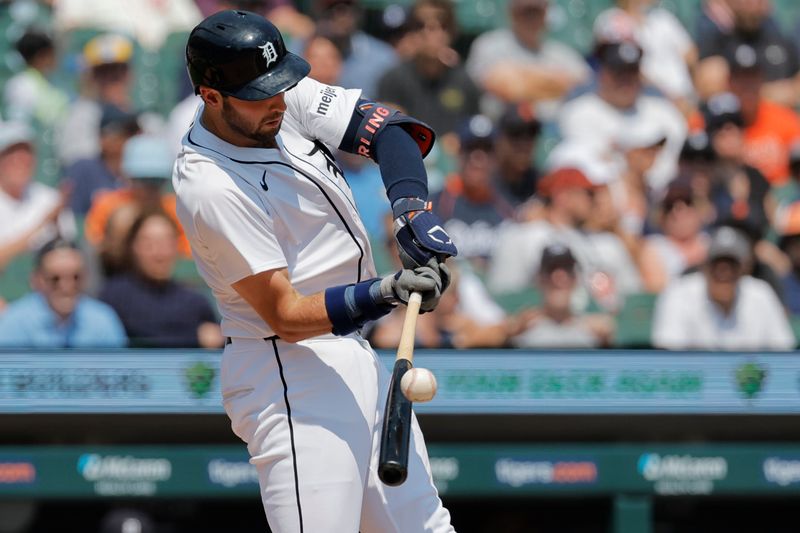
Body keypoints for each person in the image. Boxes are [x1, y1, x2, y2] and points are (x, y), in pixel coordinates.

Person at [174, 10, 456, 533]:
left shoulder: (278, 99)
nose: (278, 100)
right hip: (286, 371)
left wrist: (412, 211)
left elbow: (392, 130)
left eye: (279, 84)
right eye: (261, 93)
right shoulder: (209, 184)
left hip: (351, 352)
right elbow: (284, 313)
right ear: (211, 96)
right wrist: (386, 291)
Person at [558, 38, 687, 193]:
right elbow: (593, 168)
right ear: (603, 74)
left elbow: (675, 164)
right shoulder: (578, 113)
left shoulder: (665, 112)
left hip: (665, 197)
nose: (626, 81)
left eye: (631, 73)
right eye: (619, 73)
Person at [652, 225, 794, 351]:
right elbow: (669, 361)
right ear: (704, 267)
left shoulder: (760, 294)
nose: (724, 272)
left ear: (744, 269)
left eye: (731, 264)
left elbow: (783, 353)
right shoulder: (679, 294)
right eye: (717, 263)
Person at [100, 211, 222, 348]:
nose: (158, 253)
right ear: (133, 247)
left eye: (166, 243)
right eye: (148, 244)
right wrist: (194, 336)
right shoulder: (114, 296)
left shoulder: (195, 303)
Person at [84, 133, 192, 276]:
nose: (149, 189)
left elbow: (187, 257)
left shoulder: (176, 208)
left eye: (156, 182)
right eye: (143, 181)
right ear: (129, 178)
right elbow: (94, 250)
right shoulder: (108, 205)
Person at [465, 0, 589, 121]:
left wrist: (520, 77)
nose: (531, 18)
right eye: (526, 12)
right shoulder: (488, 45)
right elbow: (502, 86)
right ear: (512, 13)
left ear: (546, 14)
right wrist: (554, 81)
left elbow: (583, 82)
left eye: (536, 12)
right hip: (503, 129)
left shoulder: (562, 53)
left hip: (549, 128)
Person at [377, 0, 481, 139]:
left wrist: (460, 139)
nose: (431, 32)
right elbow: (389, 133)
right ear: (411, 32)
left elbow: (475, 130)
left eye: (442, 25)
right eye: (421, 25)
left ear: (452, 32)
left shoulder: (464, 81)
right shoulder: (393, 79)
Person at [0, 239, 127, 348]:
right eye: (55, 279)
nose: (67, 286)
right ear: (37, 281)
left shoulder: (103, 319)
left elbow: (118, 373)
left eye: (76, 277)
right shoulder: (15, 322)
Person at [432, 115, 516, 273]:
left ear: (497, 157)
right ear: (459, 153)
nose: (478, 157)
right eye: (470, 148)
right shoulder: (437, 204)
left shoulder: (509, 208)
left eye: (486, 149)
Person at [593, 0, 697, 111]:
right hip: (647, 99)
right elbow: (625, 67)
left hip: (685, 97)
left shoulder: (662, 17)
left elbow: (690, 55)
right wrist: (667, 96)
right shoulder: (611, 20)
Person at [0, 122, 75, 272]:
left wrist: (56, 226)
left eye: (26, 152)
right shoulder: (51, 208)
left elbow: (68, 255)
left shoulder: (50, 198)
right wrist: (44, 222)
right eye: (12, 153)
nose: (21, 160)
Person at [694, 0, 799, 106]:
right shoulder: (718, 41)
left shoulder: (780, 41)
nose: (752, 3)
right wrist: (772, 94)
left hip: (784, 120)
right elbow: (710, 88)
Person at [725, 43, 800, 186]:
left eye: (752, 77)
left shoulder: (786, 120)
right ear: (729, 81)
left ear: (762, 79)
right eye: (740, 78)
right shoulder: (719, 124)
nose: (747, 85)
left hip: (781, 200)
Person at [56, 33, 137, 167]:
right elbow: (79, 167)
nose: (112, 77)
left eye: (119, 70)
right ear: (92, 77)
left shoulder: (145, 117)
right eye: (103, 72)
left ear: (129, 74)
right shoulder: (79, 115)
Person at [512, 244, 614, 348]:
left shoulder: (595, 334)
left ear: (575, 279)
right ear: (539, 280)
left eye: (567, 269)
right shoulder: (521, 333)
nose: (558, 277)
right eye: (550, 270)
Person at [62, 104, 141, 216]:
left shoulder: (141, 173)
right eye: (124, 133)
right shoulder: (84, 169)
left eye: (133, 133)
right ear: (103, 138)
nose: (130, 138)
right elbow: (73, 220)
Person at [3, 30, 69, 126]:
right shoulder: (21, 86)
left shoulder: (50, 83)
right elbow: (19, 126)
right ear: (40, 56)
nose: (56, 59)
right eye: (52, 54)